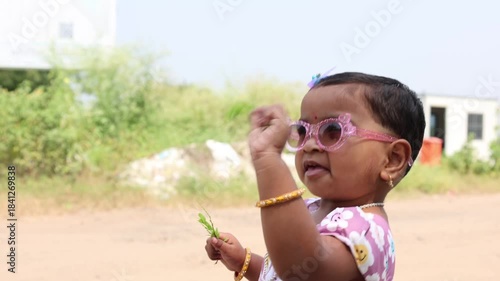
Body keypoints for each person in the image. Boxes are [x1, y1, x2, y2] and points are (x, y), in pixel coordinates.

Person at [204, 71, 426, 281]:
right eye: (302, 131)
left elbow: (301, 270)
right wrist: (245, 261)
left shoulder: (367, 230)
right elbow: (282, 272)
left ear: (393, 159)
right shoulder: (309, 208)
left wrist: (268, 159)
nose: (310, 144)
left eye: (333, 131)